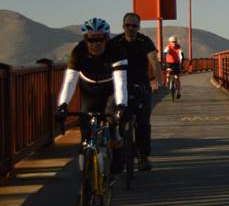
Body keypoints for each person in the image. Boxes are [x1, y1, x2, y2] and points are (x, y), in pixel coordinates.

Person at [55, 18, 128, 174]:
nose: (95, 44)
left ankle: (117, 153)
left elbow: (121, 82)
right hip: (90, 92)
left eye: (100, 39)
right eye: (91, 39)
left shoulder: (117, 50)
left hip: (110, 91)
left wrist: (121, 105)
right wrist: (63, 105)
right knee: (86, 136)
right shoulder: (78, 52)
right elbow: (69, 82)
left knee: (113, 124)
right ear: (85, 39)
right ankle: (87, 182)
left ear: (106, 39)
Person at [113, 13, 159, 170]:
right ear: (123, 26)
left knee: (143, 123)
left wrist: (157, 81)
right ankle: (118, 157)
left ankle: (144, 157)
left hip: (141, 86)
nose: (131, 28)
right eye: (128, 25)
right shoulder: (115, 42)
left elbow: (154, 61)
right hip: (120, 87)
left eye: (134, 26)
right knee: (116, 121)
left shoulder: (144, 41)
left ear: (139, 27)